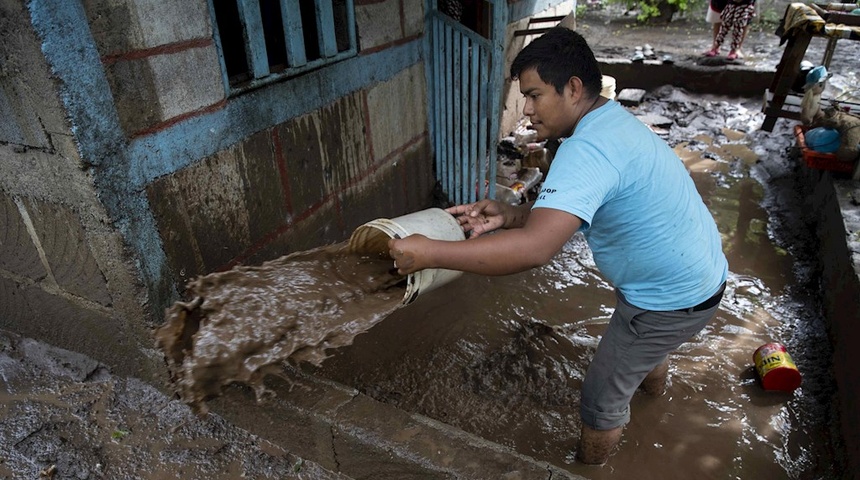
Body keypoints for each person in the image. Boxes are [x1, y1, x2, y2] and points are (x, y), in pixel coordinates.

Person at [388, 27, 728, 465]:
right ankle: (652, 396)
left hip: (667, 300)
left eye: (533, 95)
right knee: (645, 349)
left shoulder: (585, 150)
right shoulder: (613, 122)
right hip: (697, 277)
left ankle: (588, 468)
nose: (526, 111)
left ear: (572, 88)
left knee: (600, 398)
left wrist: (430, 253)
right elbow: (557, 218)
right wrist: (511, 214)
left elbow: (535, 249)